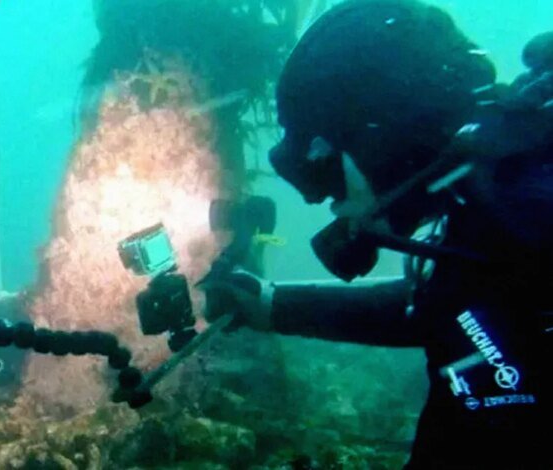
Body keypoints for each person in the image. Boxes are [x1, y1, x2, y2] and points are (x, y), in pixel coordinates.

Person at [204, 0, 552, 468]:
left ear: (383, 140)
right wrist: (272, 304)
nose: (321, 199)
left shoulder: (530, 217)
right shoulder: (491, 215)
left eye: (325, 164)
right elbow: (451, 306)